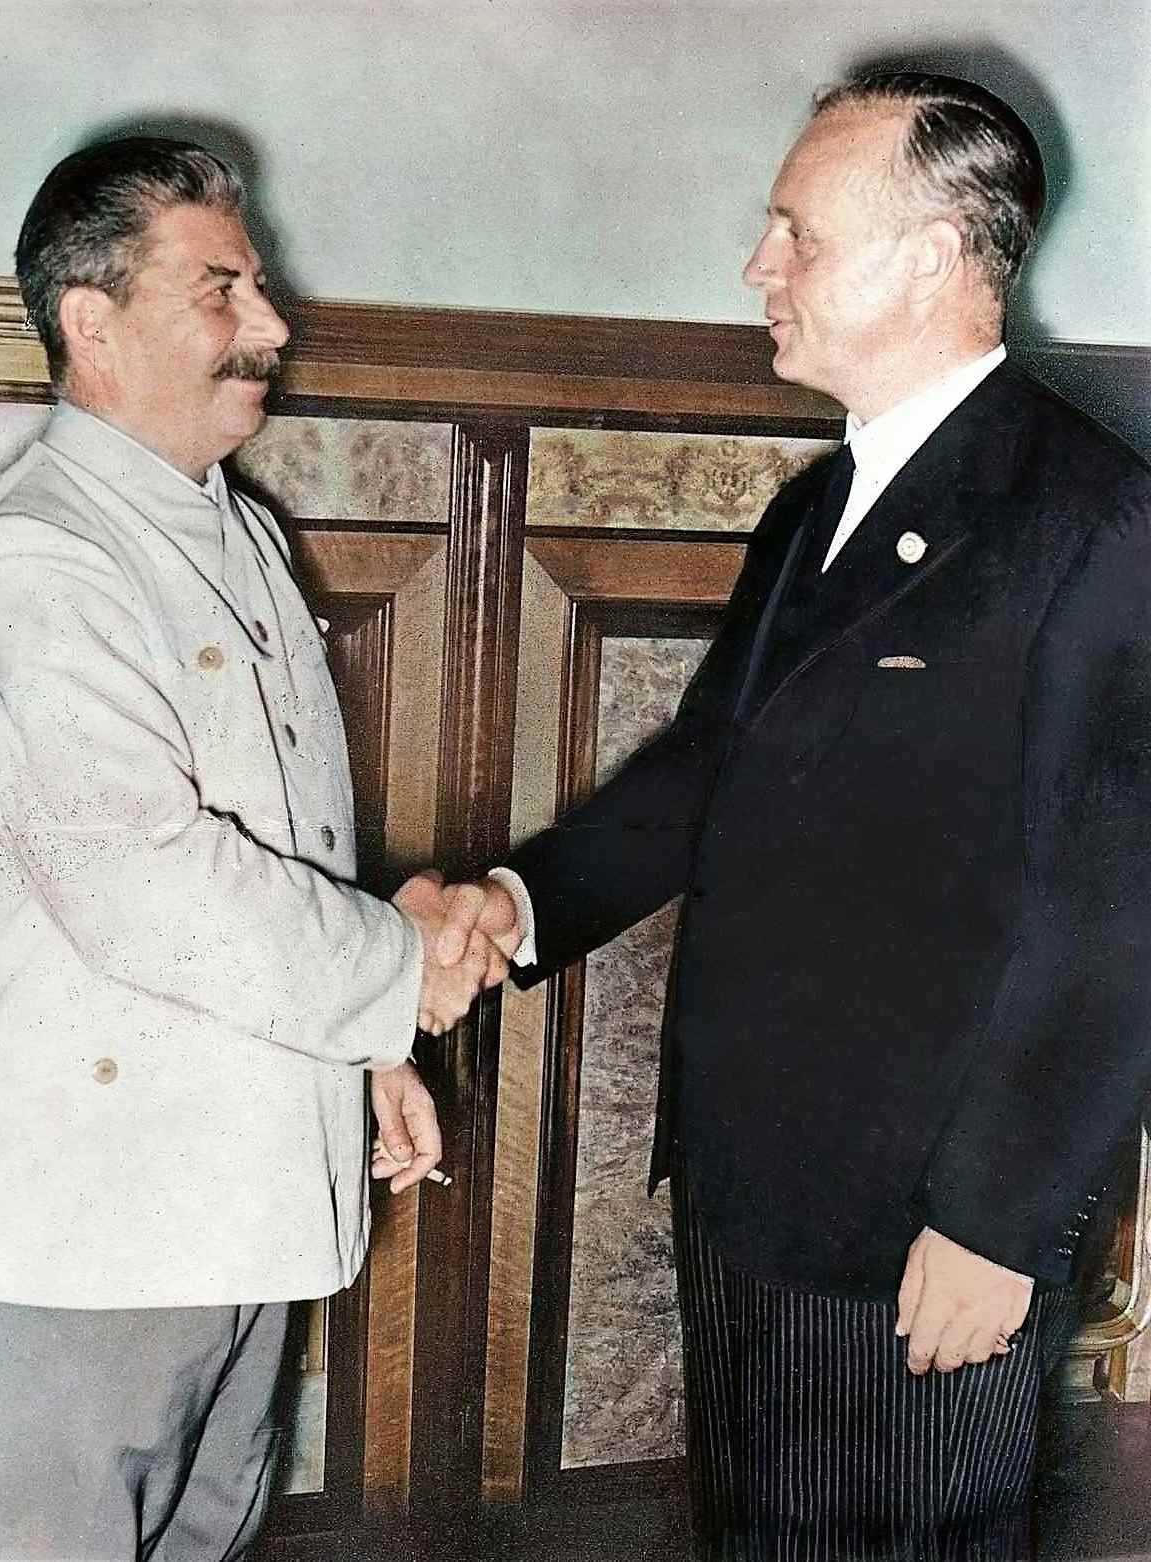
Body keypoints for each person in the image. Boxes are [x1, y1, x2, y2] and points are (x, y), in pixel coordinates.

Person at [436, 72, 1151, 1558]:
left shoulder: (1093, 520)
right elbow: (706, 773)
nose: (757, 267)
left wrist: (997, 1221)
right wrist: (515, 906)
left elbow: (1112, 909)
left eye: (794, 232)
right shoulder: (806, 510)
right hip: (756, 1184)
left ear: (933, 256)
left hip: (923, 1222)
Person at [0, 138, 499, 1562]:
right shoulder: (40, 554)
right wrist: (396, 974)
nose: (270, 326)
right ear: (92, 323)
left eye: (257, 286)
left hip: (242, 1198)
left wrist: (368, 1050)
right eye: (220, 289)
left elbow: (287, 844)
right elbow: (148, 879)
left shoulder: (232, 528)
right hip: (98, 1236)